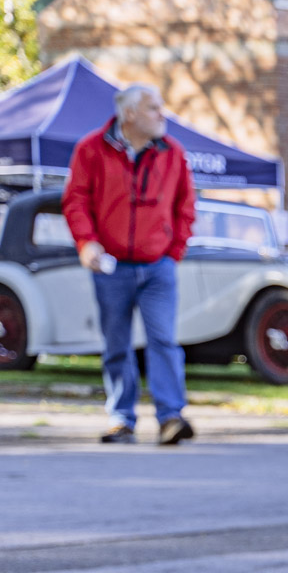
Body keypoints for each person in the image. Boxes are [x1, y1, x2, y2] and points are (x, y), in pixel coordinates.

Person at [63, 83, 195, 446]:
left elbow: (186, 206)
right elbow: (75, 200)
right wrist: (86, 241)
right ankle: (121, 419)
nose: (162, 115)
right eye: (154, 108)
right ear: (131, 114)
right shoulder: (91, 148)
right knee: (116, 344)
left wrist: (174, 252)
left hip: (158, 266)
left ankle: (171, 417)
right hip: (111, 266)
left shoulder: (173, 152)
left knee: (163, 340)